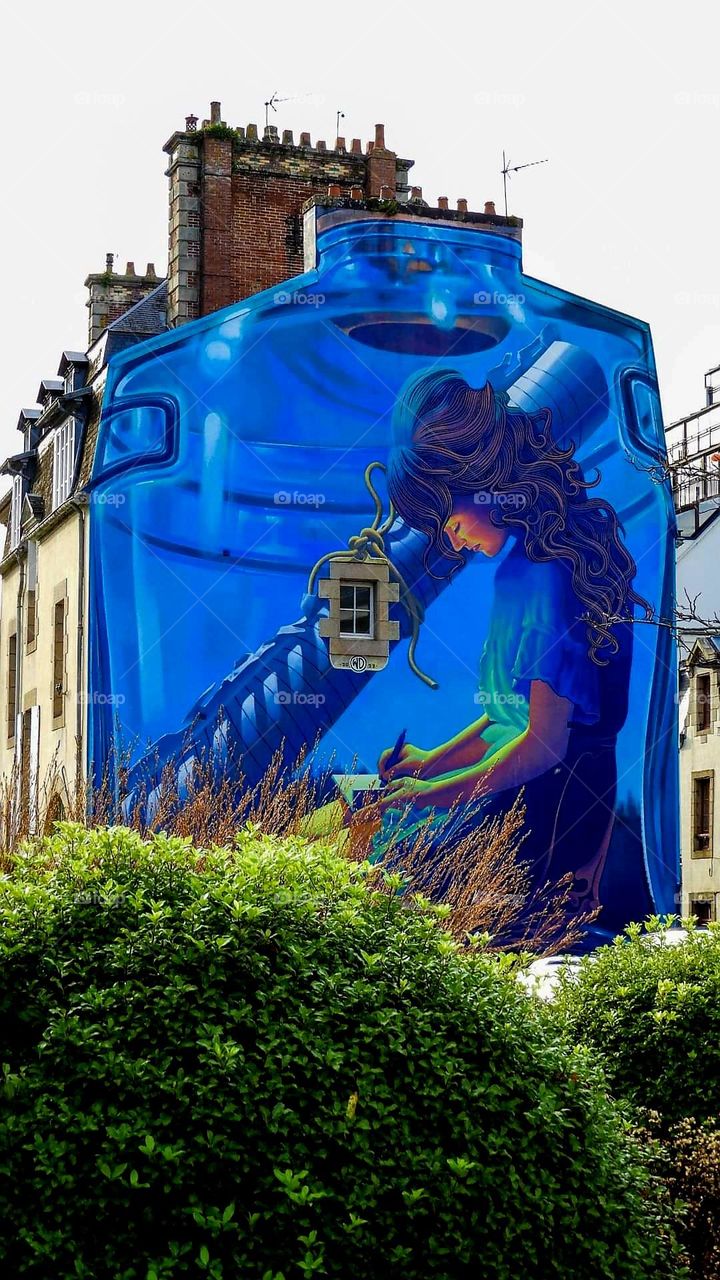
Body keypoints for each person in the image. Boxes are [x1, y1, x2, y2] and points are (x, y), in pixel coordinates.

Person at [377, 370, 651, 910]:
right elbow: (509, 716)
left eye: (448, 518)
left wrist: (432, 794)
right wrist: (429, 763)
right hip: (522, 790)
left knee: (408, 902)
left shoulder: (548, 576)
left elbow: (543, 744)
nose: (450, 539)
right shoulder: (520, 570)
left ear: (489, 483)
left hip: (553, 802)